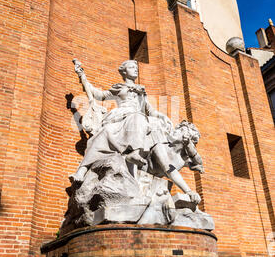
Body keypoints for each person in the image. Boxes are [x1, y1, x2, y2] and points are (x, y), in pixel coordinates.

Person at [70, 59, 202, 204]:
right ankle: (83, 168)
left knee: (145, 120)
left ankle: (139, 156)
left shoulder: (141, 91)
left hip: (138, 121)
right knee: (111, 129)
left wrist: (162, 116)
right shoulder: (120, 88)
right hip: (122, 117)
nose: (135, 69)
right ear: (124, 71)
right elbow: (99, 95)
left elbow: (150, 110)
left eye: (136, 67)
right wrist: (83, 77)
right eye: (131, 67)